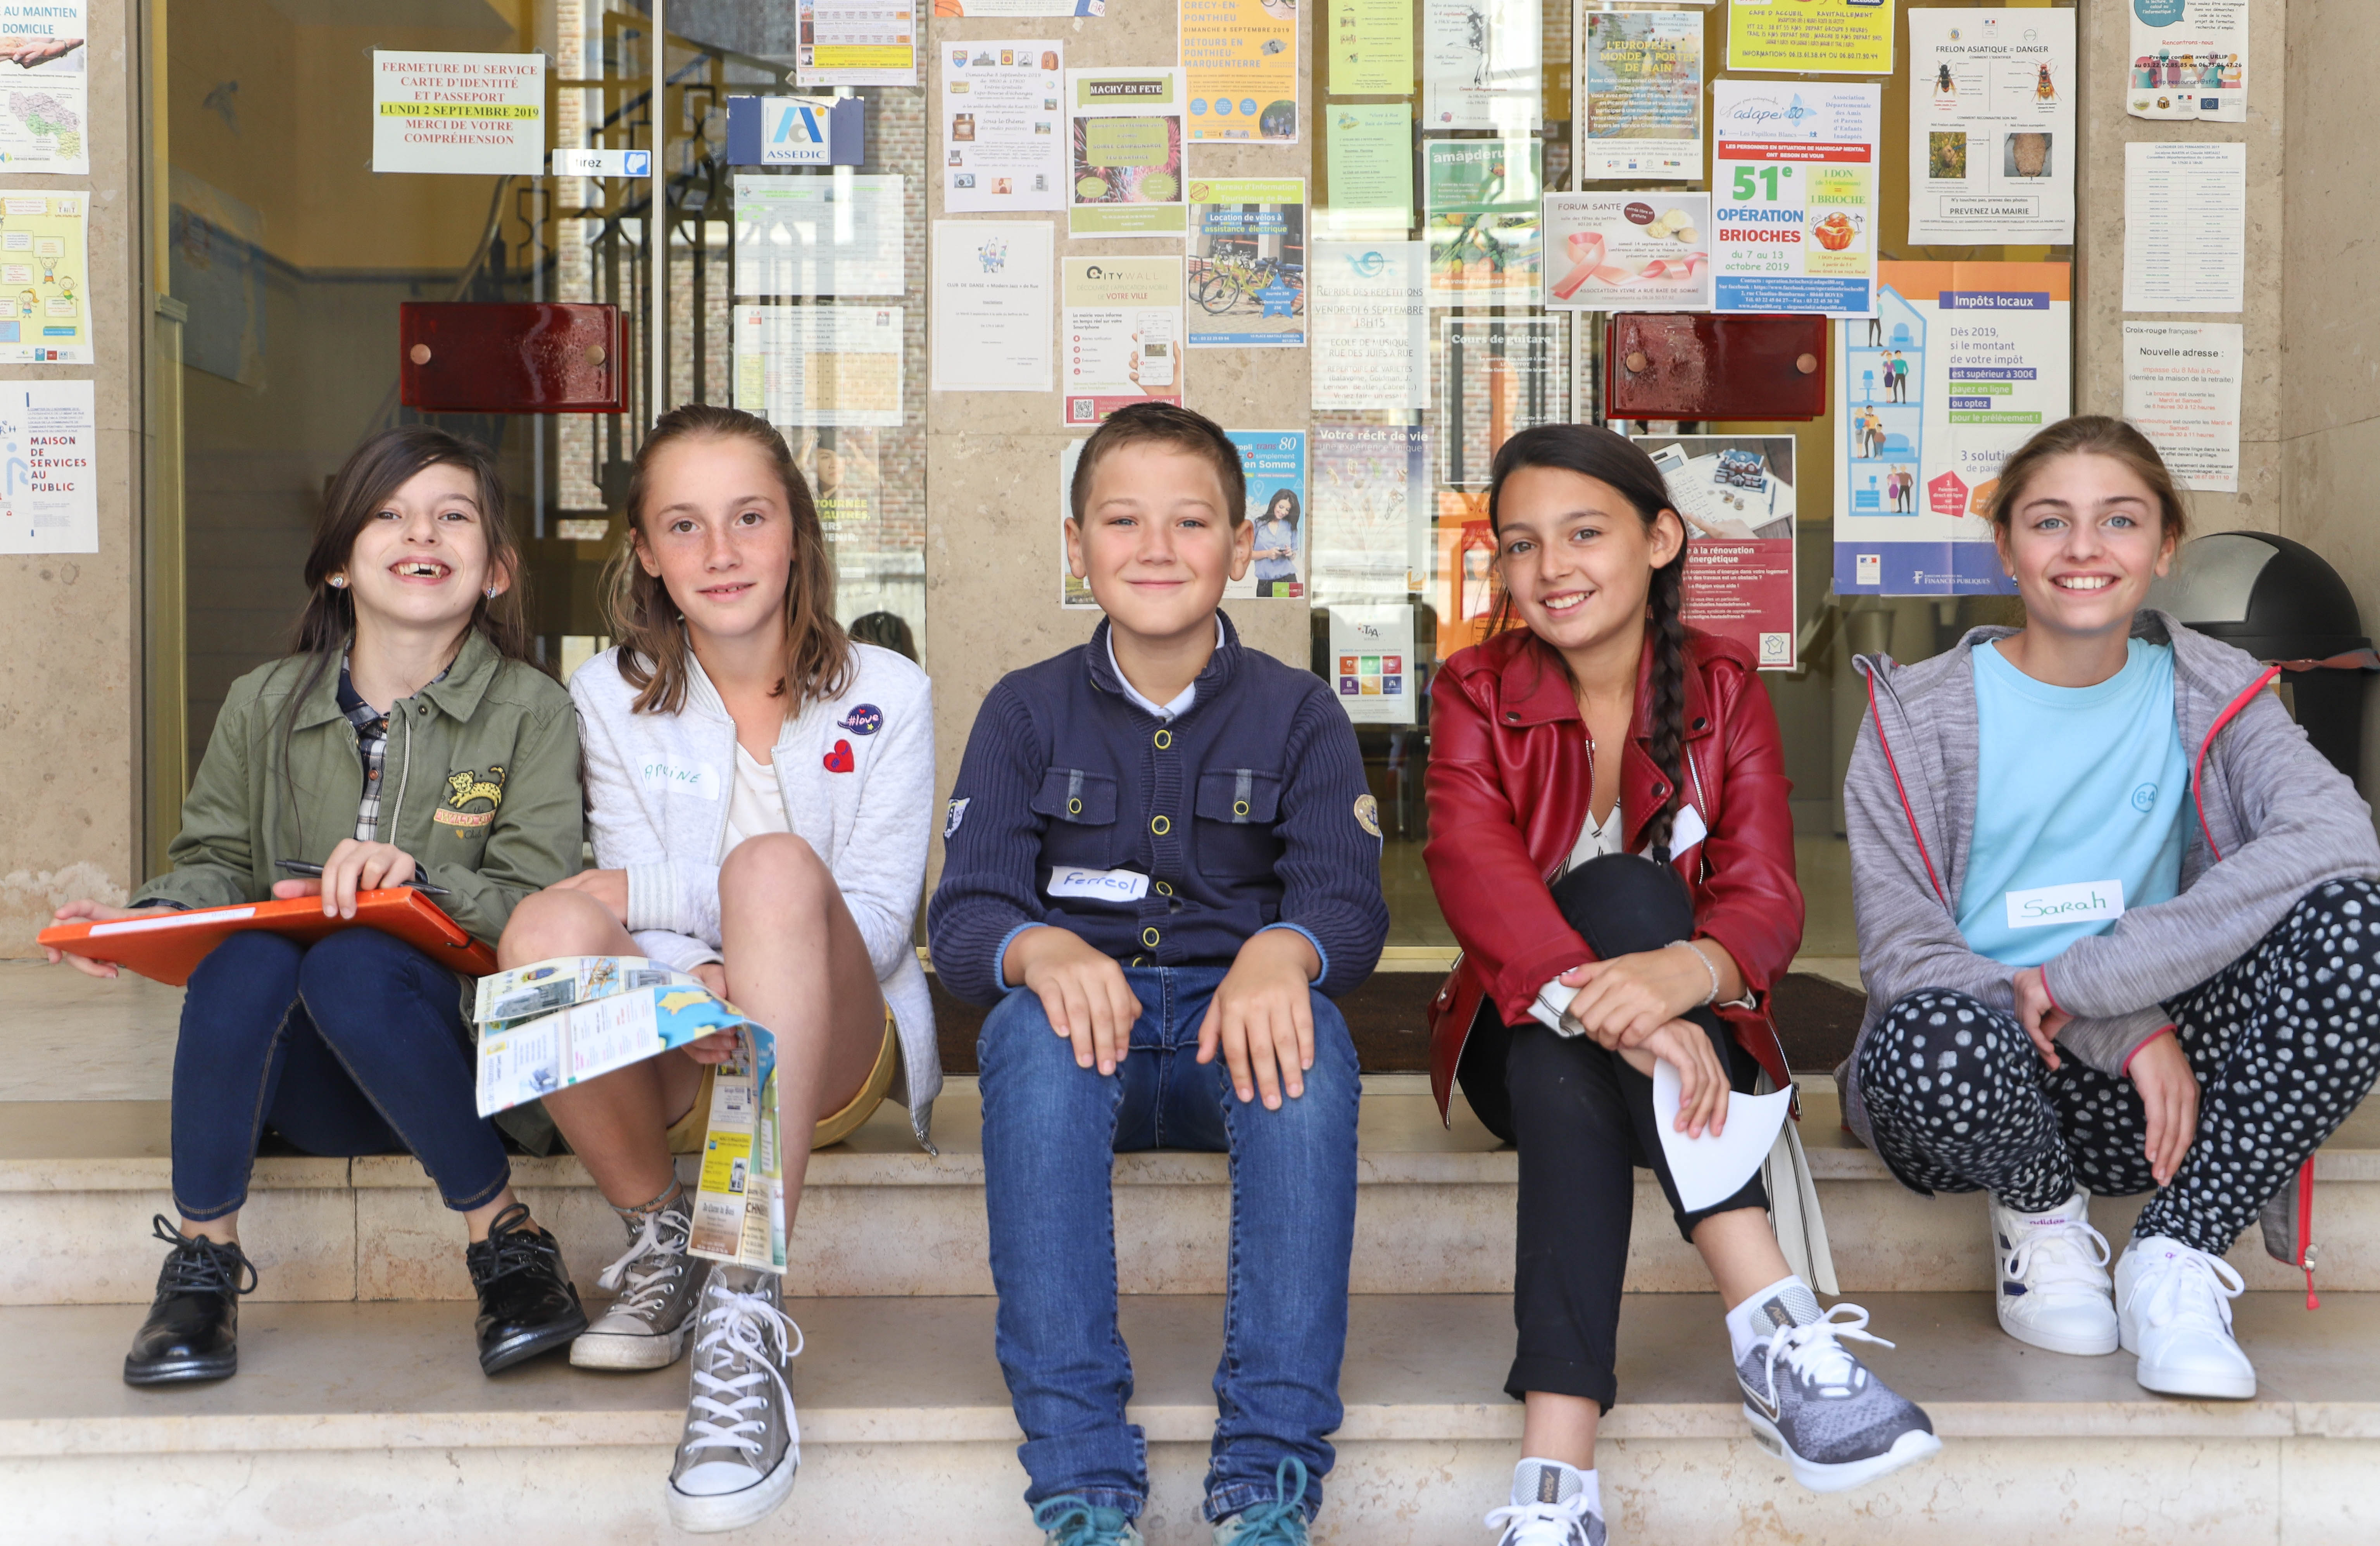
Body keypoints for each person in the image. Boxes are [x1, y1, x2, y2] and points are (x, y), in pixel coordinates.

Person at [1422, 425, 1939, 1546]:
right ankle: (1770, 1317)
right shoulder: (1474, 686)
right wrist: (1629, 1010)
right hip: (1522, 1027)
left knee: (1613, 947)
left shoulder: (1722, 686)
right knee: (1606, 916)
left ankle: (1556, 1474)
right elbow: (1470, 865)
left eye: (1583, 533)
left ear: (1660, 539)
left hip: (1655, 1047)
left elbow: (1765, 891)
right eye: (1521, 544)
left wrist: (1680, 974)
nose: (1549, 567)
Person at [1843, 415, 2380, 1400]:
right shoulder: (1914, 712)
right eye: (2050, 520)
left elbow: (2338, 836)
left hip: (2155, 1104)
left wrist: (2095, 979)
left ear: (2165, 546)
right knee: (1931, 1038)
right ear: (2006, 545)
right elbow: (1902, 952)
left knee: (2358, 927)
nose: (2084, 548)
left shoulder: (2218, 690)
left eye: (2119, 520)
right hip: (1978, 1082)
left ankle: (2177, 1248)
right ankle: (2041, 1217)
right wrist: (2117, 1021)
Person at [41, 426, 588, 1386]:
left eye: (453, 516)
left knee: (354, 961)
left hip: (458, 1066)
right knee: (247, 958)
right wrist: (142, 917)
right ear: (339, 561)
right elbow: (213, 858)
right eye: (389, 514)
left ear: (496, 569)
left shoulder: (533, 711)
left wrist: (416, 882)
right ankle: (203, 1264)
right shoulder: (263, 702)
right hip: (313, 1091)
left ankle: (506, 1238)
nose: (422, 533)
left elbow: (536, 902)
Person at [930, 402, 1388, 1546]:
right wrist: (1037, 946)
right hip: (1087, 1048)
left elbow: (1348, 904)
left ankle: (1268, 1479)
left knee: (1314, 1045)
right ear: (1075, 545)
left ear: (1242, 546)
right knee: (1027, 1033)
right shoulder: (1023, 709)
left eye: (1190, 522)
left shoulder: (1301, 712)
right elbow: (967, 915)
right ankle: (1082, 1482)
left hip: (1236, 1039)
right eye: (1121, 520)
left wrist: (1285, 948)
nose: (1155, 548)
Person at [496, 404, 939, 1532]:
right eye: (685, 525)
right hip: (687, 1049)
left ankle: (744, 1297)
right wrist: (692, 968)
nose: (722, 551)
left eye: (750, 517)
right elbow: (610, 900)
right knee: (542, 931)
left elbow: (879, 922)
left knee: (775, 869)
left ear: (797, 530)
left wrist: (682, 908)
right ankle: (663, 1237)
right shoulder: (607, 694)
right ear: (646, 550)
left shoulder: (889, 690)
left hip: (834, 1047)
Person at [1252, 486, 1303, 597]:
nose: (1284, 512)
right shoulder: (1258, 524)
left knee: (1293, 609)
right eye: (1281, 507)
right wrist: (1267, 554)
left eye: (1288, 510)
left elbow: (1294, 555)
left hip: (1288, 580)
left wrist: (1290, 554)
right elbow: (1246, 554)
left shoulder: (1291, 526)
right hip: (1265, 585)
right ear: (1274, 503)